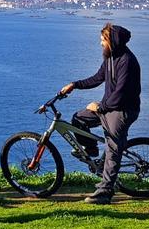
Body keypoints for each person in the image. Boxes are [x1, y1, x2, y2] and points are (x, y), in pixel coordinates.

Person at [59, 23, 141, 204]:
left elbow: (121, 94)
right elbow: (97, 78)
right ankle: (91, 150)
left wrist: (101, 107)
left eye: (103, 40)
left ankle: (104, 193)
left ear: (112, 41)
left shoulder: (126, 61)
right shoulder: (111, 57)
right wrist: (75, 84)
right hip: (109, 107)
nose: (100, 44)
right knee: (78, 118)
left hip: (122, 110)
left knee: (112, 150)